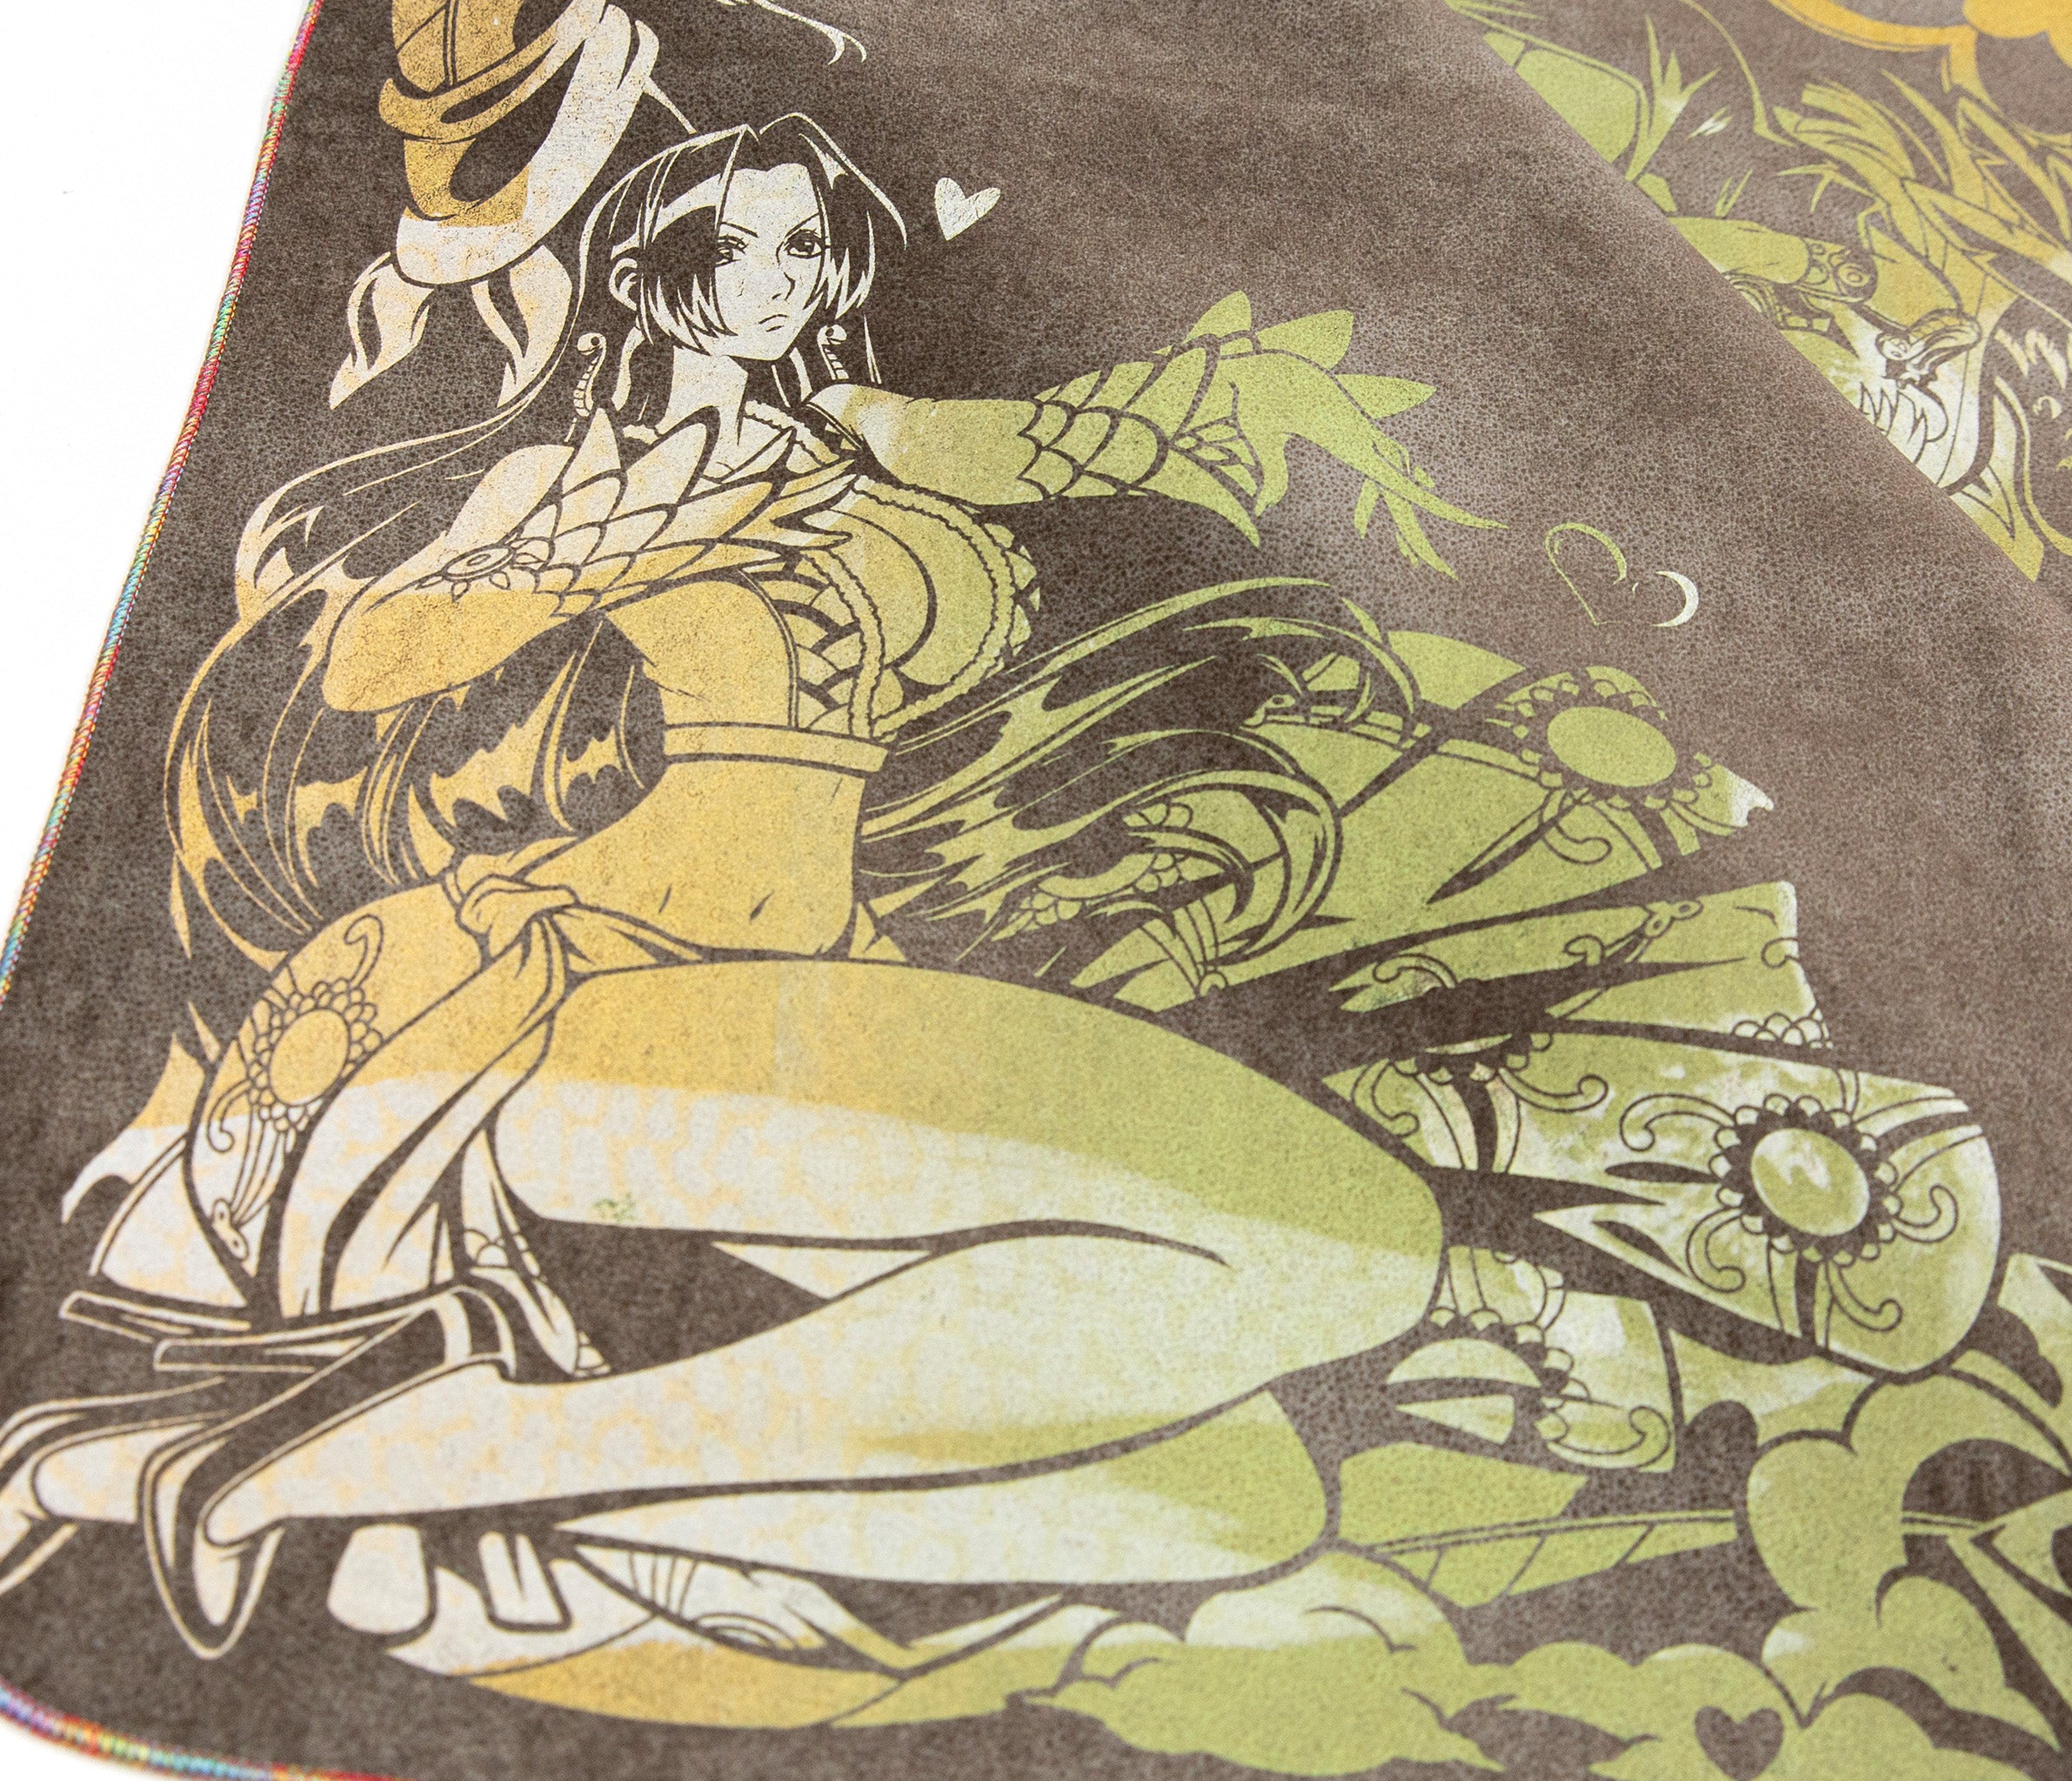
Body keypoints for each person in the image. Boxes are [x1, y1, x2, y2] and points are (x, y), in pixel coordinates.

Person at [2, 117, 1480, 1654]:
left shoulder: (862, 439)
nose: (778, 278)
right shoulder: (567, 475)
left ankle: (310, 1472)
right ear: (646, 272)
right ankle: (365, 1465)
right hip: (584, 974)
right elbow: (374, 660)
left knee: (1235, 1495)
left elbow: (1063, 450)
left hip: (829, 980)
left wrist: (1185, 405)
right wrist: (640, 528)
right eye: (734, 245)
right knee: (1353, 1245)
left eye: (807, 246)